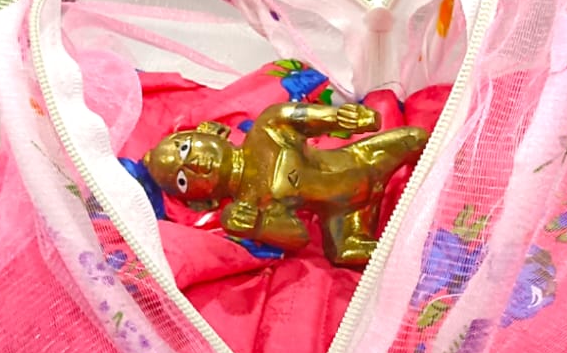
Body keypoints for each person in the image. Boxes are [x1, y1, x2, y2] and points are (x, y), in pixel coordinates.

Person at [144, 102, 427, 266]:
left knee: (415, 138)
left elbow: (308, 117)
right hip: (343, 216)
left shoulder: (268, 128)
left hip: (363, 159)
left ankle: (460, 171)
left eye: (185, 149)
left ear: (211, 130)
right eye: (183, 179)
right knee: (344, 254)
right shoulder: (249, 206)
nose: (194, 164)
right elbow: (299, 237)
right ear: (201, 203)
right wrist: (259, 226)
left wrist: (346, 118)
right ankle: (423, 251)